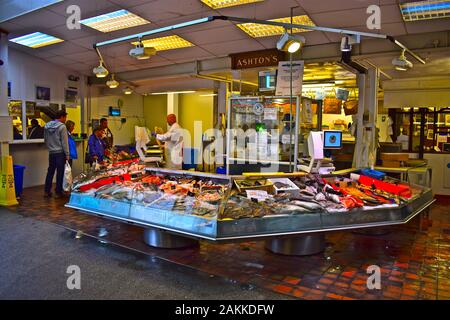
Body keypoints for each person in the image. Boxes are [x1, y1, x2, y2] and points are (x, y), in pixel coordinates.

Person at [44, 110, 69, 198]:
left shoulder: (47, 126)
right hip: (60, 153)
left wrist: (50, 147)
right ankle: (58, 192)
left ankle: (47, 191)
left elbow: (45, 139)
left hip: (51, 152)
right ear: (62, 117)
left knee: (50, 172)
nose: (65, 119)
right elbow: (64, 142)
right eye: (65, 117)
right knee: (60, 172)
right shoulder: (62, 127)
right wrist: (67, 154)